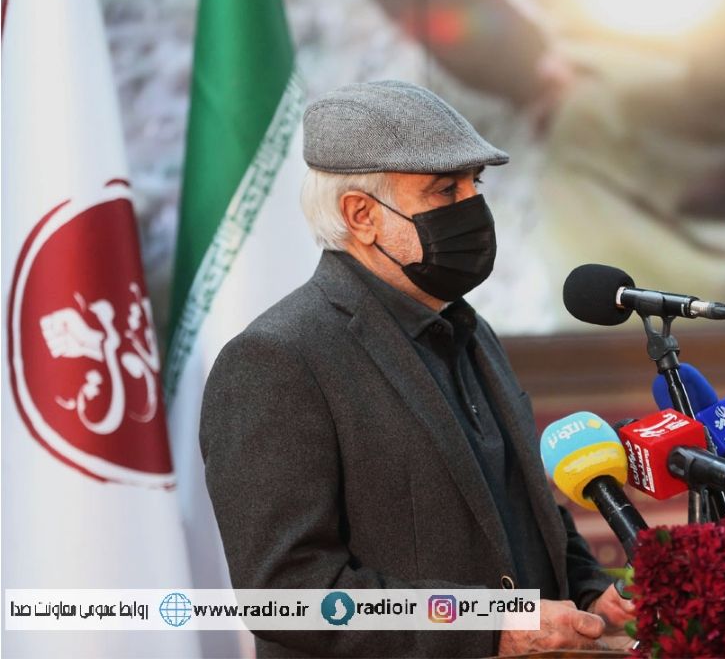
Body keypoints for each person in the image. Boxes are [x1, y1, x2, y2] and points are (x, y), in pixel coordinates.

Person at [199, 80, 634, 658]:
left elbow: (521, 509)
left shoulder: (469, 329)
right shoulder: (277, 359)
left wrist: (589, 592)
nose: (472, 207)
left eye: (474, 184)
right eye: (444, 190)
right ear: (361, 216)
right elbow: (285, 592)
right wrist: (490, 627)